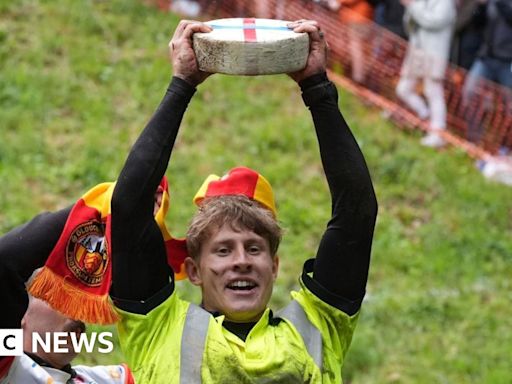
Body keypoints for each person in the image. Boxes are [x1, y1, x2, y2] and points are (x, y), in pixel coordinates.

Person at [109, 19, 378, 383]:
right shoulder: (157, 325)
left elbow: (356, 214)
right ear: (193, 271)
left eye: (254, 249)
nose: (241, 262)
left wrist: (317, 87)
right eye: (222, 250)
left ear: (275, 265)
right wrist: (181, 85)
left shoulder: (318, 326)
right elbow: (128, 207)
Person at [0, 210, 135, 383]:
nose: (76, 309)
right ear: (19, 313)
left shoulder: (106, 379)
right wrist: (98, 210)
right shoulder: (8, 372)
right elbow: (4, 264)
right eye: (61, 295)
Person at [395, 0, 457, 148]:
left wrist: (412, 6)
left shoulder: (446, 3)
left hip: (435, 53)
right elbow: (410, 25)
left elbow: (432, 22)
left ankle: (437, 134)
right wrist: (411, 9)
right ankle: (425, 116)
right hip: (417, 50)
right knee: (403, 89)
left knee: (433, 91)